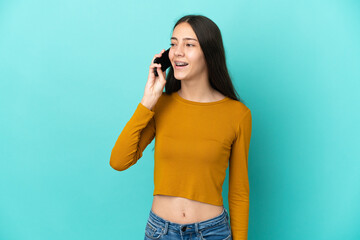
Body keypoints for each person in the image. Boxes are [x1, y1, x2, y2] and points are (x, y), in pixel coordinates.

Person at [110, 14, 252, 240]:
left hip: (212, 232)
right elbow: (118, 161)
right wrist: (148, 100)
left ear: (209, 52)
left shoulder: (237, 114)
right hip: (160, 232)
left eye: (189, 44)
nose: (177, 52)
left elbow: (239, 192)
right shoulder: (160, 105)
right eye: (173, 44)